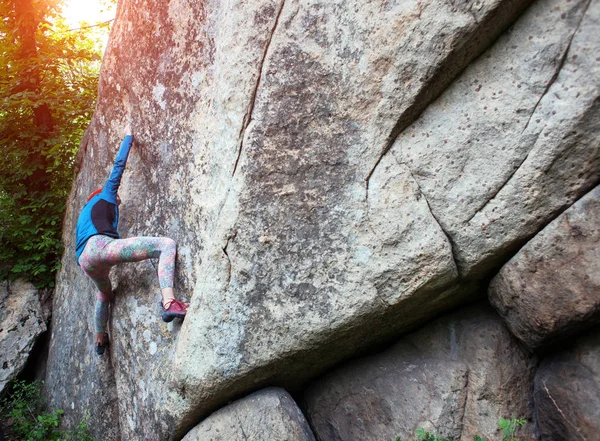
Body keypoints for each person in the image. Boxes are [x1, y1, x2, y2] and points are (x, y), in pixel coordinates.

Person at [75, 122, 189, 355]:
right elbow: (118, 168)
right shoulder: (104, 194)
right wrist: (128, 137)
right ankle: (169, 303)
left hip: (85, 261)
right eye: (115, 196)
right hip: (101, 248)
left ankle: (99, 340)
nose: (117, 198)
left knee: (104, 294)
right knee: (165, 245)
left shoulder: (84, 215)